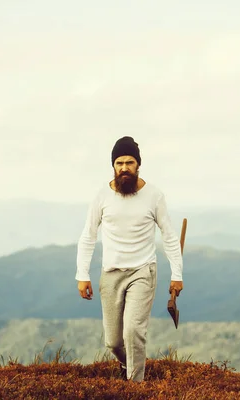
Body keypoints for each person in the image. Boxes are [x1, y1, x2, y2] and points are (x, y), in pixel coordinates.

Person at [75, 136, 184, 382]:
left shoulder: (154, 195)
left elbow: (169, 236)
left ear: (138, 165)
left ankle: (135, 386)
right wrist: (82, 275)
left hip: (143, 272)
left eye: (130, 162)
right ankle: (129, 364)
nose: (124, 167)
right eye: (119, 162)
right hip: (110, 274)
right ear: (113, 166)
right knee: (113, 342)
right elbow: (88, 235)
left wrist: (177, 275)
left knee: (133, 331)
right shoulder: (102, 196)